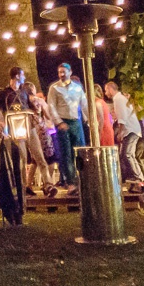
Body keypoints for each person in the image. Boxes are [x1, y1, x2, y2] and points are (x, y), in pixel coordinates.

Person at [46, 62, 88, 190]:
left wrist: (89, 120)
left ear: (70, 72)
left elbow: (84, 105)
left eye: (64, 72)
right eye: (60, 72)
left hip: (76, 122)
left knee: (81, 151)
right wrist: (58, 122)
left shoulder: (77, 88)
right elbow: (51, 106)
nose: (62, 74)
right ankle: (70, 183)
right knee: (66, 153)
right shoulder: (54, 88)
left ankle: (83, 179)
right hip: (63, 122)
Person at [104, 81, 144, 186]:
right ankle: (135, 175)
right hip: (131, 129)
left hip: (130, 129)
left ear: (110, 89)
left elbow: (122, 117)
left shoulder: (118, 99)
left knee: (127, 154)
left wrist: (120, 132)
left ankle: (139, 176)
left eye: (106, 90)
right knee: (125, 154)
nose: (105, 93)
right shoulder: (121, 98)